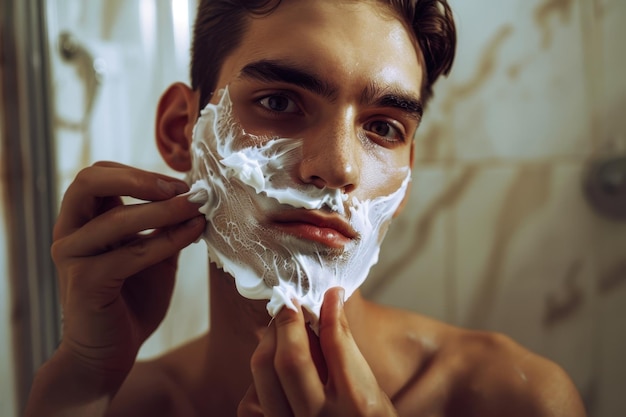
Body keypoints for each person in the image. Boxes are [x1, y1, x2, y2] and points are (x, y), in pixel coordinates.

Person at [25, 0, 587, 416]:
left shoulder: (514, 398)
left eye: (383, 128)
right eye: (279, 102)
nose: (340, 168)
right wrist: (82, 376)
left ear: (406, 177)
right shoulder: (118, 405)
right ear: (181, 130)